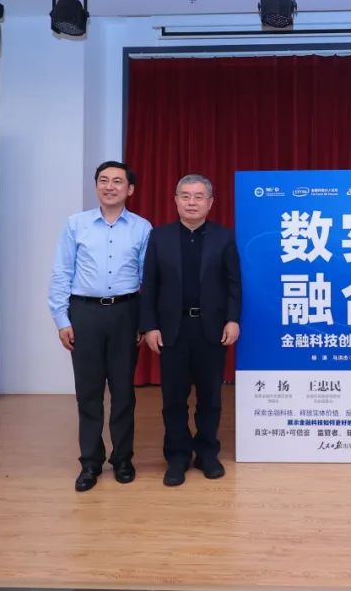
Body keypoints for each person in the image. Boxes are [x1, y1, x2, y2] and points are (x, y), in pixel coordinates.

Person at [48, 161, 151, 492]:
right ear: (96, 187)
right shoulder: (76, 224)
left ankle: (122, 459)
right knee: (88, 393)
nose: (110, 186)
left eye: (117, 181)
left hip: (126, 313)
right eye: (103, 180)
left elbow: (148, 279)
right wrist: (62, 319)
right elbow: (62, 272)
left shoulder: (142, 228)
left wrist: (144, 322)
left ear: (130, 190)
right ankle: (90, 462)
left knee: (123, 393)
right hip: (85, 313)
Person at [140, 174, 241, 486]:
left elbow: (233, 284)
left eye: (199, 197)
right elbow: (149, 285)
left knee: (210, 397)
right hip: (172, 329)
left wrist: (232, 319)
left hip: (211, 329)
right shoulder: (160, 237)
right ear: (176, 200)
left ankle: (207, 453)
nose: (192, 202)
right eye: (185, 196)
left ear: (210, 203)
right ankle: (177, 456)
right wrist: (149, 326)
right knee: (174, 398)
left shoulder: (224, 237)